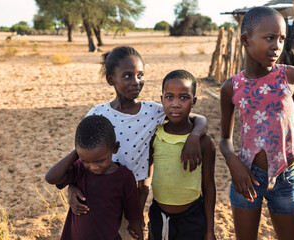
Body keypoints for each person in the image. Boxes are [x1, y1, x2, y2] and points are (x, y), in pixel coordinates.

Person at [66, 46, 208, 238]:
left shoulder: (153, 111)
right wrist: (71, 186)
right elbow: (83, 154)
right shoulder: (97, 113)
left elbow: (198, 118)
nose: (136, 82)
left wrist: (194, 136)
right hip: (95, 195)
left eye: (140, 75)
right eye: (127, 76)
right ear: (111, 79)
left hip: (131, 198)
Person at [219, 6, 294, 240]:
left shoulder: (291, 77)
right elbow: (225, 139)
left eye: (281, 39)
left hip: (286, 177)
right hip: (246, 177)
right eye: (270, 38)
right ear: (246, 40)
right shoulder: (231, 87)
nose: (277, 45)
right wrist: (233, 163)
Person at [45, 115, 144, 240]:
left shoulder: (124, 177)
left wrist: (139, 234)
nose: (93, 167)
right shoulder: (80, 169)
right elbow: (51, 178)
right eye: (86, 160)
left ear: (114, 148)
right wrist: (77, 153)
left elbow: (134, 215)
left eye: (100, 161)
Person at [147, 70, 216, 240]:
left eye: (184, 98)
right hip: (158, 216)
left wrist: (210, 230)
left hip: (192, 218)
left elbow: (209, 187)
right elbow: (145, 179)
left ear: (194, 102)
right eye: (169, 97)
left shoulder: (205, 142)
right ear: (161, 99)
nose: (176, 104)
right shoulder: (154, 135)